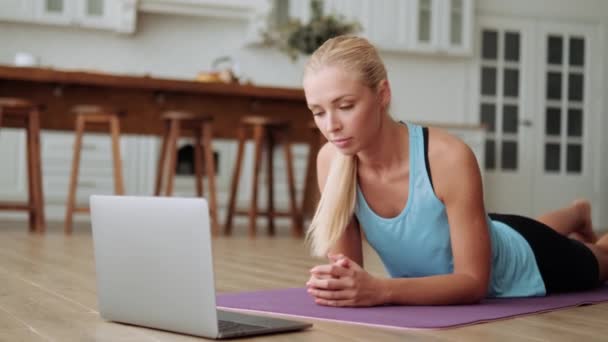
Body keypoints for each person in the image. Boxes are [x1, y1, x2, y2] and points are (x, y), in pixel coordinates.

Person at [302, 35, 608, 307]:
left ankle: (577, 220)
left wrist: (381, 290)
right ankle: (576, 212)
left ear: (383, 94)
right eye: (318, 112)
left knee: (602, 259)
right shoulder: (330, 161)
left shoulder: (447, 158)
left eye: (345, 106)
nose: (331, 126)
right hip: (486, 231)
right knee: (504, 229)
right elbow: (347, 274)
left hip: (528, 261)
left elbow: (473, 282)